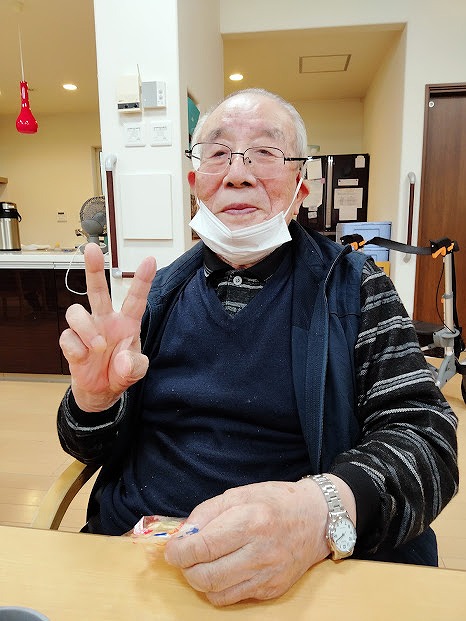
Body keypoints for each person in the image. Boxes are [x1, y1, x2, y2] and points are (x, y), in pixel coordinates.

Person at [57, 88, 458, 607]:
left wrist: (318, 513)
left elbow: (427, 441)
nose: (238, 174)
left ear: (301, 186)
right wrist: (94, 402)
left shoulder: (356, 288)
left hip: (304, 573)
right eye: (218, 153)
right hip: (137, 560)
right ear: (196, 184)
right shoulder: (154, 297)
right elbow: (87, 448)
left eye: (266, 153)